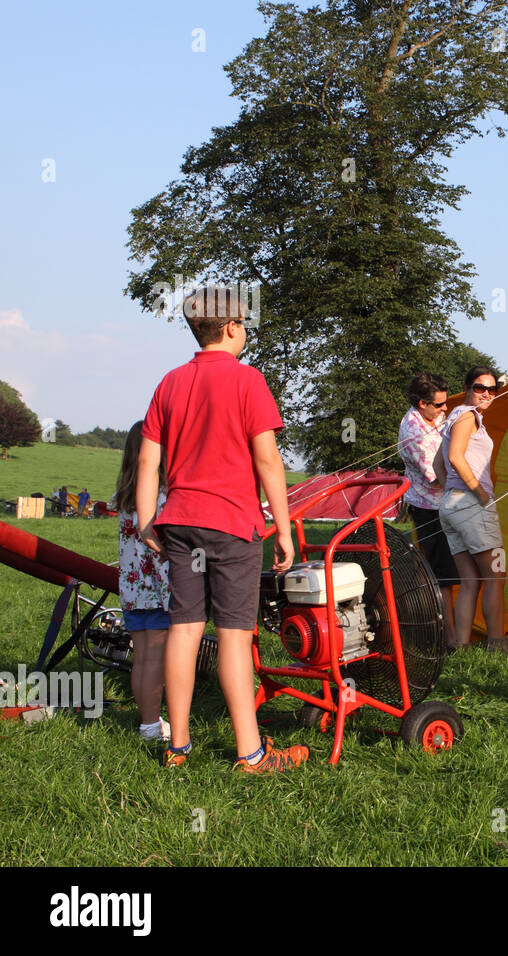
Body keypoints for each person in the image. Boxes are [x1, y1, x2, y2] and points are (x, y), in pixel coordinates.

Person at [136, 284, 305, 773]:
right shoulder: (248, 380)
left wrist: (149, 518)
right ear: (232, 328)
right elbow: (268, 459)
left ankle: (178, 746)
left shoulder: (169, 381)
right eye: (245, 325)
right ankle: (250, 754)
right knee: (233, 636)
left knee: (184, 631)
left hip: (181, 523)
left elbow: (149, 459)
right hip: (232, 525)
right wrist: (285, 528)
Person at [439, 367, 508, 652]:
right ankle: (497, 646)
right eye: (480, 388)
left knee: (470, 580)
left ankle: (463, 647)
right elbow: (454, 457)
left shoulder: (453, 417)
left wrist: (450, 493)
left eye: (493, 390)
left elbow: (436, 465)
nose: (487, 394)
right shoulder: (467, 416)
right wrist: (478, 493)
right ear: (467, 388)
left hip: (452, 505)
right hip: (470, 503)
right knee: (496, 576)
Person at [115, 421, 170, 741]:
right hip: (159, 591)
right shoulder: (160, 498)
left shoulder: (122, 498)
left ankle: (147, 721)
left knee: (141, 659)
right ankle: (151, 726)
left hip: (132, 592)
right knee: (156, 660)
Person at [398, 372, 458, 636]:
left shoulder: (434, 414)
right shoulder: (413, 433)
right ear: (422, 403)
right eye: (439, 404)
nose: (445, 408)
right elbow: (435, 478)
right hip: (428, 508)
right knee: (440, 574)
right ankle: (448, 636)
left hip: (445, 502)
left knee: (448, 569)